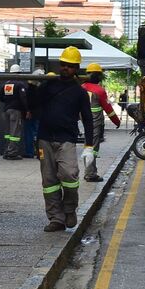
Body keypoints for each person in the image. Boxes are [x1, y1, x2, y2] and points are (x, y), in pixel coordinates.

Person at [30, 47, 94, 232]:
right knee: (49, 182)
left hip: (66, 139)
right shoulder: (48, 85)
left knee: (69, 175)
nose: (66, 68)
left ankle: (69, 209)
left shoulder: (80, 92)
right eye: (64, 64)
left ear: (76, 68)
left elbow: (88, 119)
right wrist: (33, 85)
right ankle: (56, 219)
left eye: (70, 66)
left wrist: (89, 145)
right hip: (45, 138)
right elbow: (33, 105)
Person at [80, 63, 121, 182]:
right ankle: (90, 173)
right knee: (92, 147)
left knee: (88, 145)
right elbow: (109, 109)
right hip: (95, 122)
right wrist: (117, 122)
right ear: (98, 76)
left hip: (84, 121)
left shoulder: (82, 87)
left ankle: (90, 171)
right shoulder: (99, 91)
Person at [0, 64, 29, 160]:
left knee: (8, 132)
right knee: (15, 132)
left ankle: (7, 150)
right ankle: (12, 153)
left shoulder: (6, 84)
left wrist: (8, 101)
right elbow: (23, 98)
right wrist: (26, 109)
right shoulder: (20, 84)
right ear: (19, 73)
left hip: (6, 110)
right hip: (15, 111)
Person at [22, 67, 45, 158]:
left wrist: (28, 111)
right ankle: (40, 154)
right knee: (40, 134)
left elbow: (28, 101)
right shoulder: (43, 89)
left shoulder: (30, 89)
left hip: (31, 114)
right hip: (39, 113)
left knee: (29, 133)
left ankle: (30, 152)